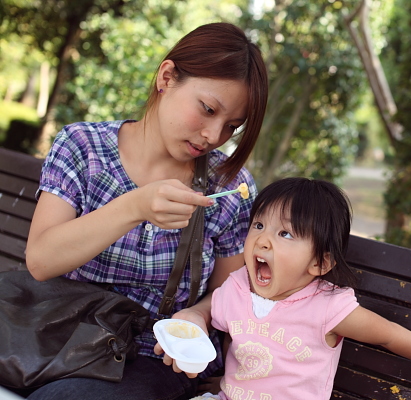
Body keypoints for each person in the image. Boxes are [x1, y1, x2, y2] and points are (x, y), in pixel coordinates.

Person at [20, 22, 268, 400]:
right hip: (56, 332)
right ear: (167, 77)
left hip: (152, 355)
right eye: (208, 109)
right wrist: (134, 206)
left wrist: (199, 315)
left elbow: (228, 289)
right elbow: (40, 259)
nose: (214, 136)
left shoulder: (227, 188)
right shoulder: (83, 148)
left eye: (232, 126)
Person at [187, 177, 411, 400]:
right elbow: (223, 324)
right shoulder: (238, 286)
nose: (262, 240)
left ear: (320, 263)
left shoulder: (328, 308)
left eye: (285, 233)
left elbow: (388, 335)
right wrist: (231, 382)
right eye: (259, 225)